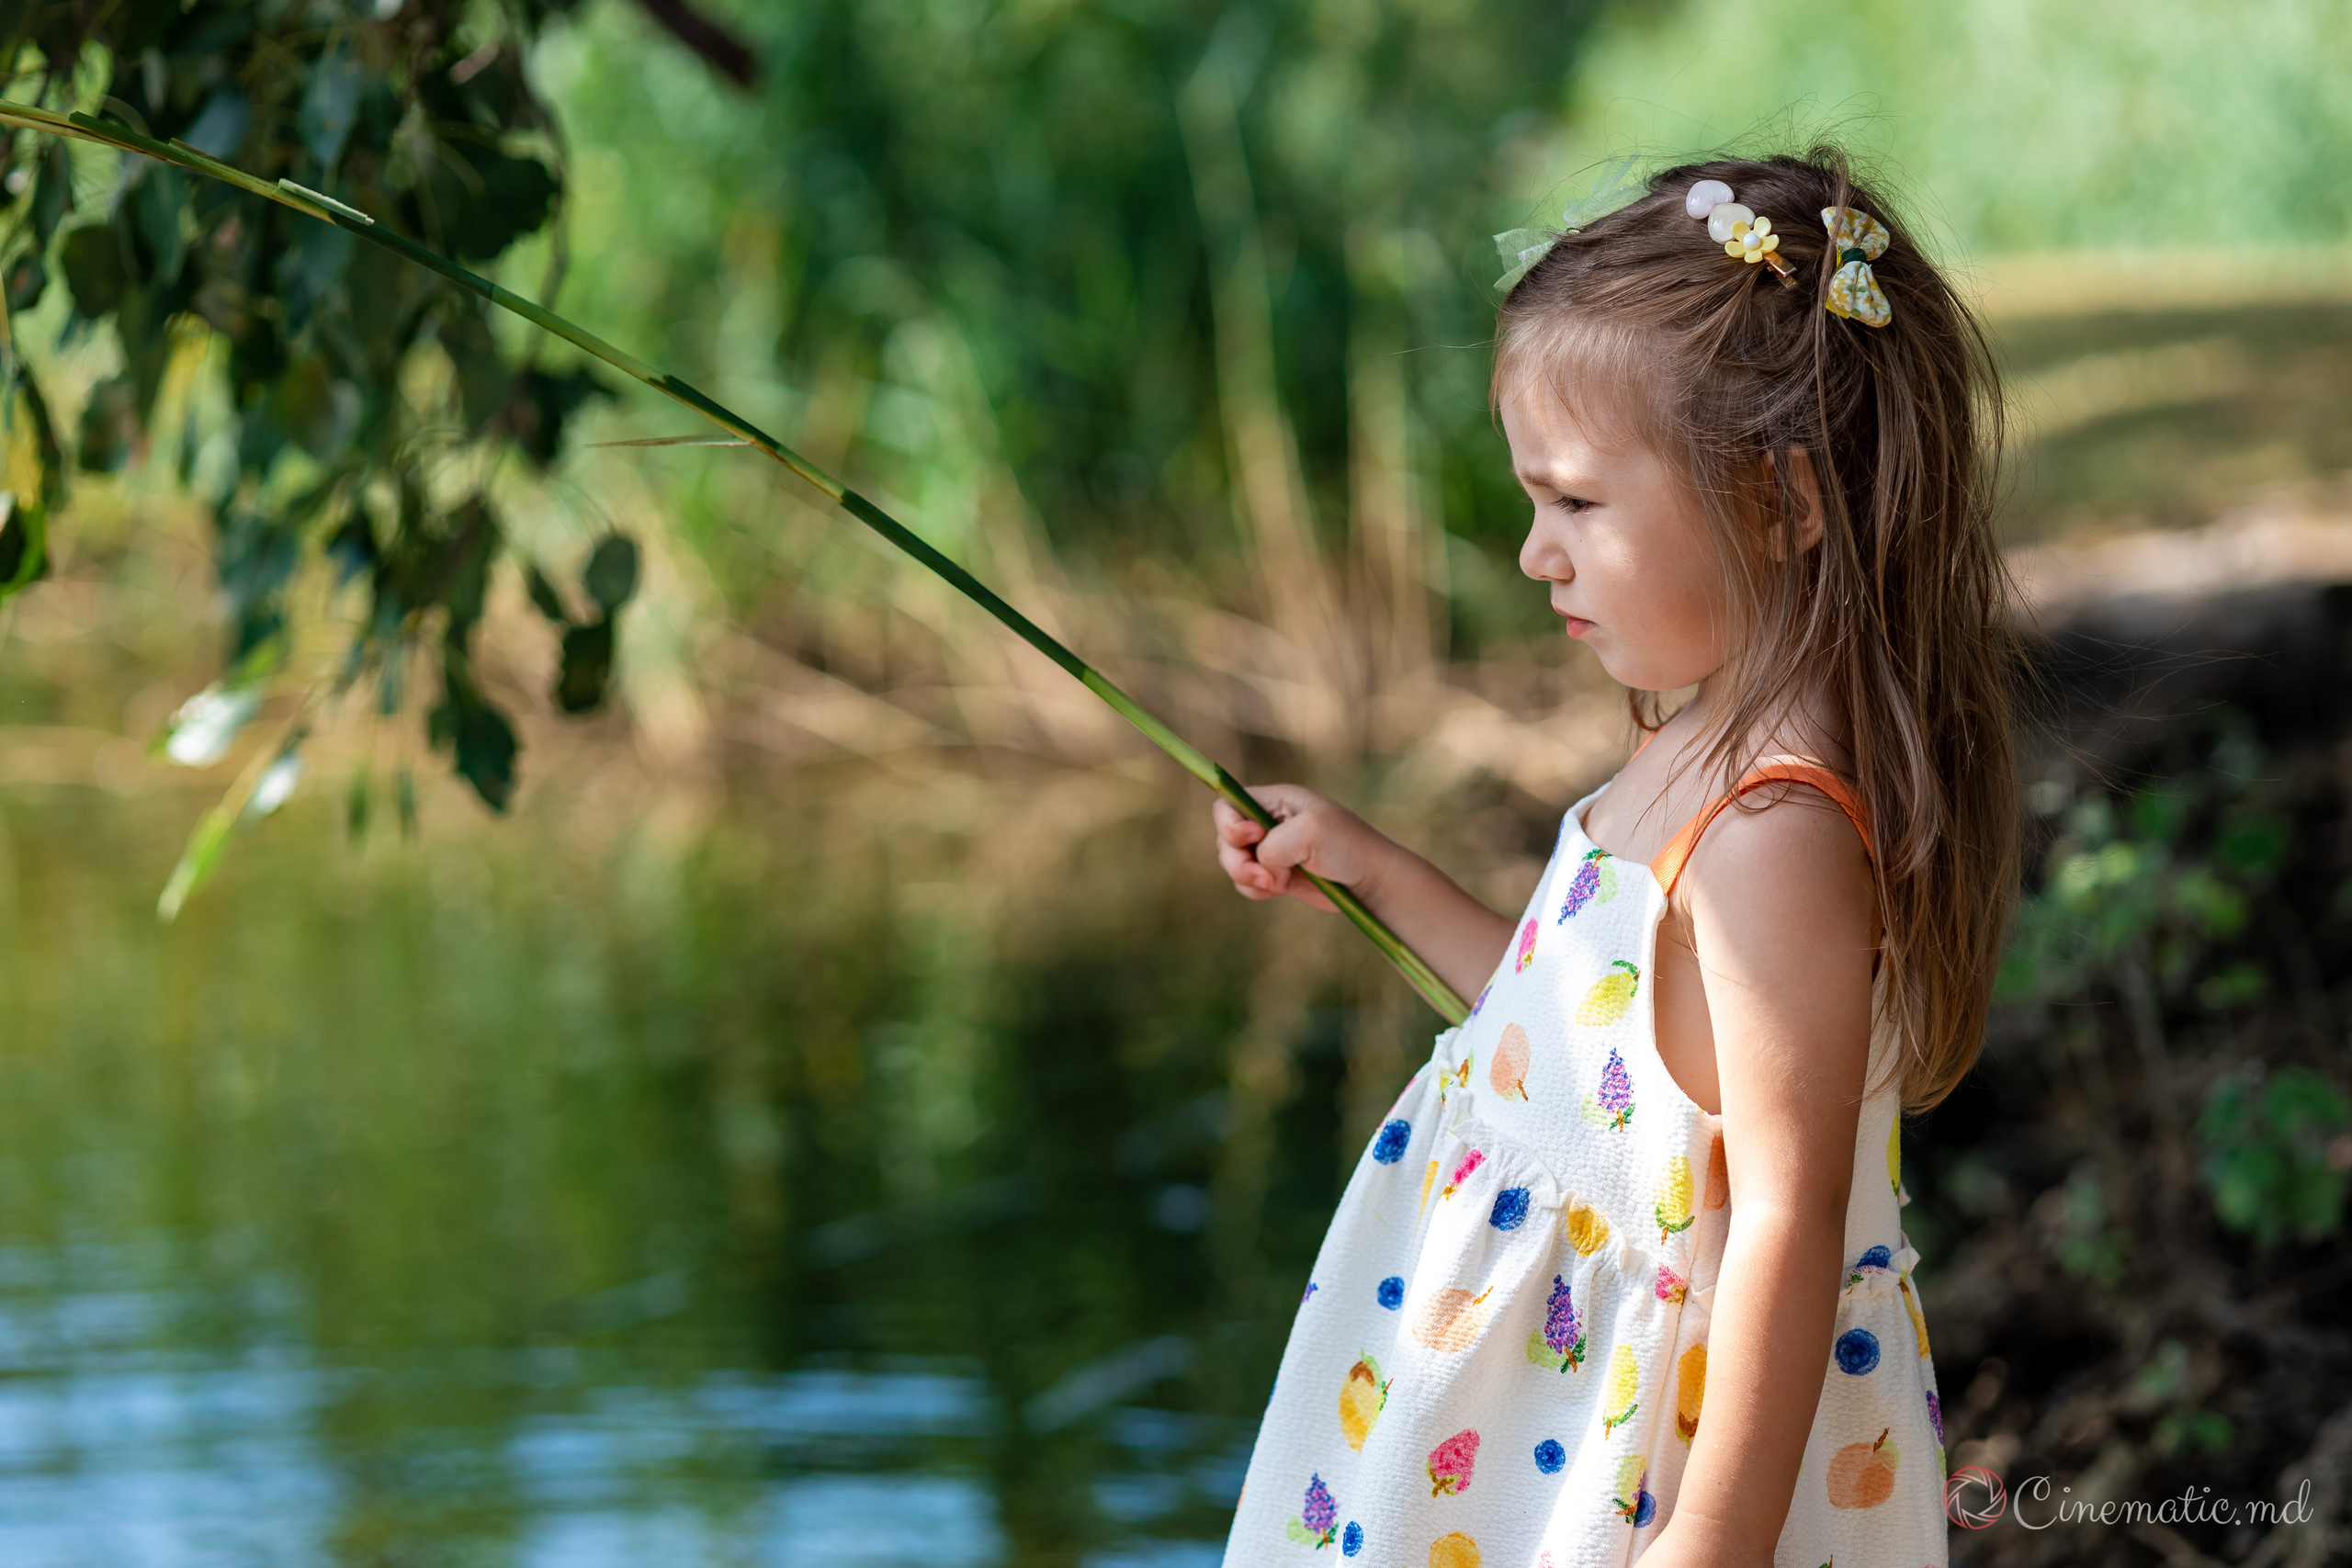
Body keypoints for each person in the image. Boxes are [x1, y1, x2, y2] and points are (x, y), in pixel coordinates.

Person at [1207, 150, 2018, 1568]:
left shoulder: (1773, 835)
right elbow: (1579, 1057)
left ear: (1783, 504)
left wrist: (1708, 1542)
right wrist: (1377, 871)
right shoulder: (1692, 742)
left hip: (1634, 1460)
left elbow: (1785, 1220)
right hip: (1515, 1432)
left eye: (1576, 503)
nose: (1535, 554)